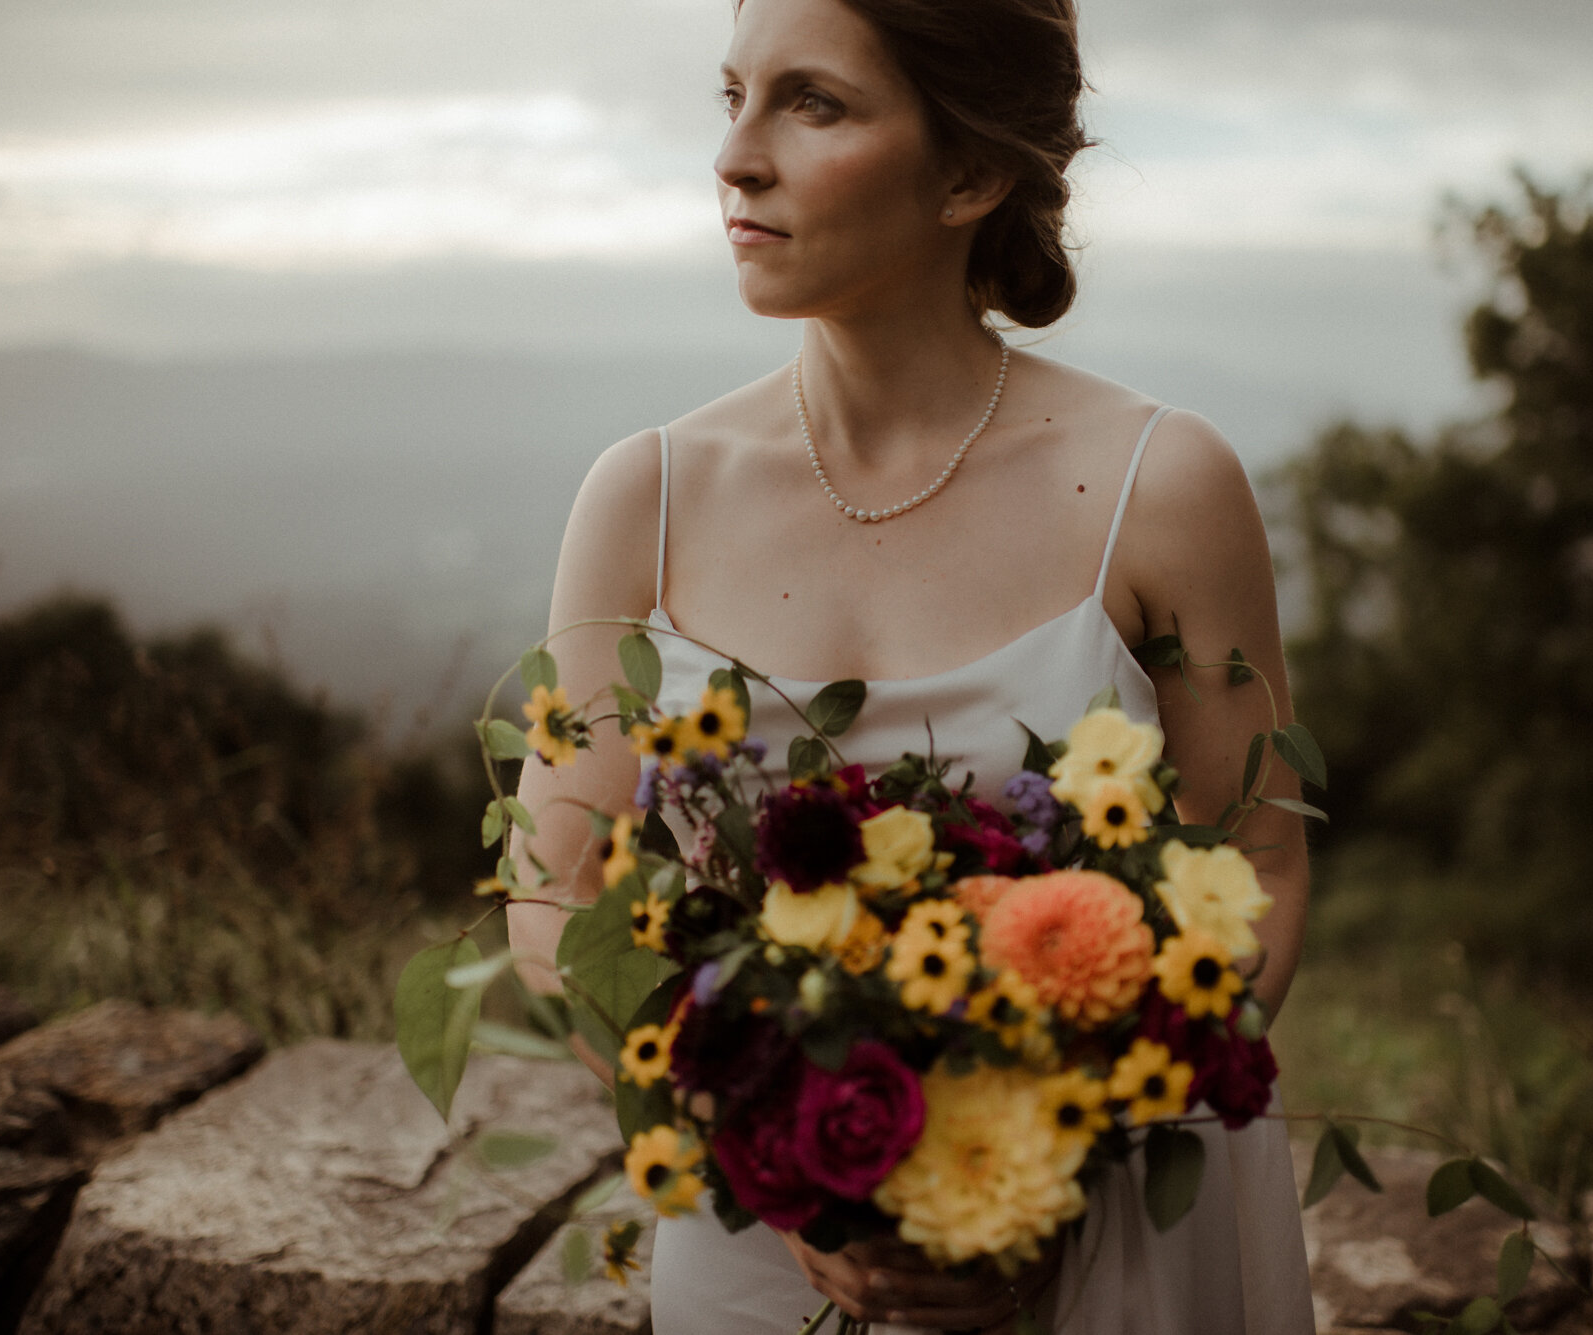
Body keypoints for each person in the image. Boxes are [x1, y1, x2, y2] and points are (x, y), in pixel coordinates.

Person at [506, 0, 1316, 1329]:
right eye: (733, 99)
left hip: (1096, 1240)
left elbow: (1262, 865)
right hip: (757, 1235)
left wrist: (1060, 1156)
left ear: (971, 173)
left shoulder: (1162, 486)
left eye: (811, 103)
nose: (736, 157)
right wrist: (766, 1154)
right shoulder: (641, 499)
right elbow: (556, 887)